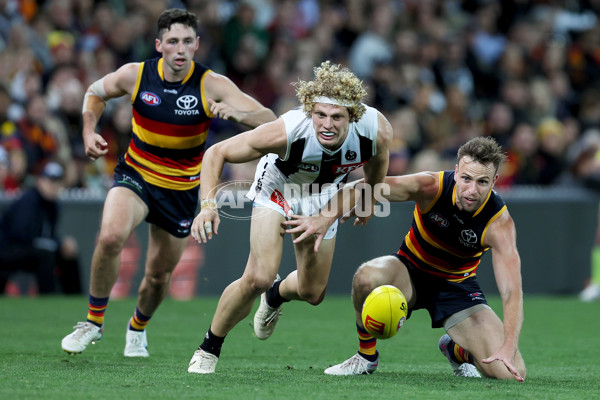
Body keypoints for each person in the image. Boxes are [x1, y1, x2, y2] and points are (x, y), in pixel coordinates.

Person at [61, 9, 276, 357]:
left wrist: (239, 115)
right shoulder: (137, 75)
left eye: (187, 41)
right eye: (173, 41)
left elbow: (269, 119)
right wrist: (88, 130)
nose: (180, 49)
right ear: (159, 44)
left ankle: (137, 328)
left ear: (197, 45)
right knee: (111, 235)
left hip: (181, 189)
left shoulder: (211, 84)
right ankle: (93, 322)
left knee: (158, 276)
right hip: (137, 174)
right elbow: (94, 92)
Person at [187, 61, 392, 374]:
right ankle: (208, 348)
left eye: (337, 116)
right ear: (310, 111)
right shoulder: (288, 131)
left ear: (353, 116)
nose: (327, 124)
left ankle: (276, 295)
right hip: (278, 188)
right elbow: (217, 153)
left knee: (312, 292)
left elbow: (376, 174)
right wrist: (208, 206)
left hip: (324, 195)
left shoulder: (376, 131)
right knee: (258, 275)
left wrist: (367, 198)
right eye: (320, 114)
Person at [289, 136, 526, 381]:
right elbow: (362, 186)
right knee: (365, 278)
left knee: (508, 372)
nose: (471, 190)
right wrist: (324, 218)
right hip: (409, 271)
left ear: (494, 181)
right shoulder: (430, 186)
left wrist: (509, 346)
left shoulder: (499, 223)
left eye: (482, 182)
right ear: (456, 172)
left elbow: (511, 290)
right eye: (466, 178)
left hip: (457, 286)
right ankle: (366, 357)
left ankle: (454, 350)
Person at [0, 161, 82, 295]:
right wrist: (57, 244)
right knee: (44, 256)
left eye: (57, 182)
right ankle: (48, 297)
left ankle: (75, 298)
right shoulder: (29, 201)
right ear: (40, 181)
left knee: (68, 254)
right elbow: (22, 235)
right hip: (9, 247)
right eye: (49, 181)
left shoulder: (53, 205)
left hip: (31, 248)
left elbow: (48, 235)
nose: (53, 186)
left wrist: (60, 244)